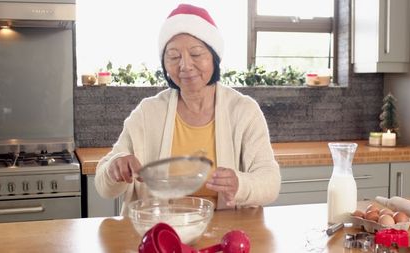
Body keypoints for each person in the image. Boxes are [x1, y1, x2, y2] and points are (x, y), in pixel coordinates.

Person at [95, 3, 281, 215]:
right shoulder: (147, 113)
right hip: (158, 232)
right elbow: (103, 185)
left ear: (214, 57)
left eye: (196, 54)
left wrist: (240, 184)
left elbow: (270, 181)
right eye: (174, 57)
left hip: (224, 234)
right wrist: (115, 169)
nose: (185, 65)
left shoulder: (244, 111)